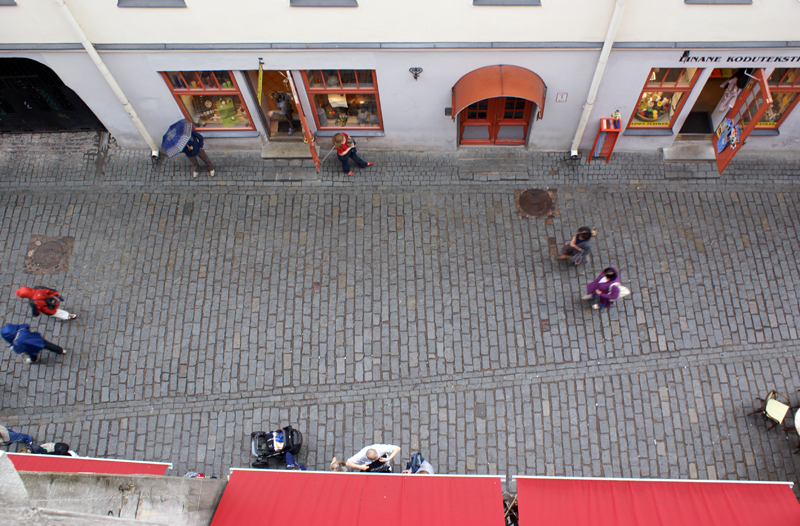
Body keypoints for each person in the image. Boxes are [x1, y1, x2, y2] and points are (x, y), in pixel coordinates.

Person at [2, 323, 67, 364]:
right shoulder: (21, 329)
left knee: (32, 354)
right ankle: (60, 350)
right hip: (37, 339)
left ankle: (33, 360)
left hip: (30, 347)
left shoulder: (16, 342)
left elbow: (19, 350)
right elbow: (26, 325)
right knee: (48, 345)